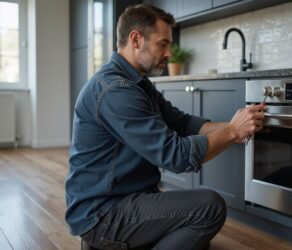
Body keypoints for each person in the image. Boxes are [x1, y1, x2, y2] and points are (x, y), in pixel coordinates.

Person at [65, 3, 264, 250]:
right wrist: (232, 131)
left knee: (196, 241)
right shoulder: (115, 90)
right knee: (209, 207)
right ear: (136, 39)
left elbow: (182, 122)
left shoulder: (137, 83)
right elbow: (175, 155)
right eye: (163, 43)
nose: (169, 52)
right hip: (103, 213)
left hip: (124, 199)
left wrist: (238, 123)